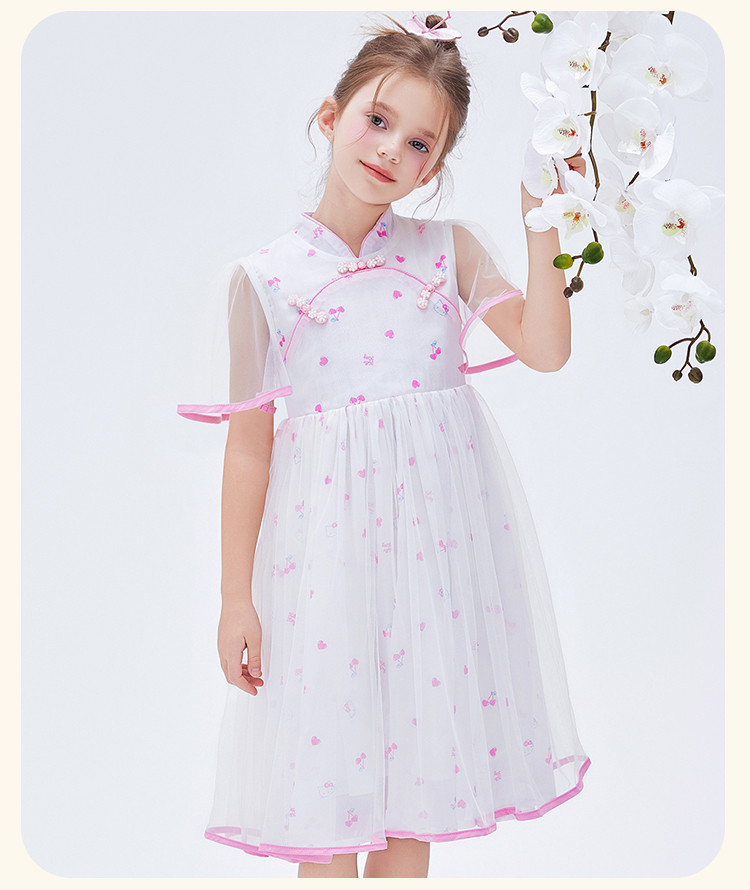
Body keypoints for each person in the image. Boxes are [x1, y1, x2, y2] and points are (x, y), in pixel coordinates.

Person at [178, 11, 591, 880]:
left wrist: (543, 220)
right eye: (377, 120)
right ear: (331, 116)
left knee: (415, 807)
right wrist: (235, 598)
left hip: (435, 573)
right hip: (323, 573)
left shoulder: (448, 253)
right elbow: (249, 449)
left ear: (433, 167)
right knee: (327, 806)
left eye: (419, 144)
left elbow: (547, 349)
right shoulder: (267, 279)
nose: (391, 150)